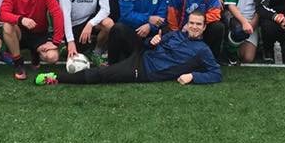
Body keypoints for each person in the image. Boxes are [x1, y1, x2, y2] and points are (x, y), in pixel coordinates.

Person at [36, 10, 221, 86]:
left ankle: (55, 78)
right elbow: (149, 44)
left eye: (198, 24)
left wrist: (193, 76)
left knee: (101, 75)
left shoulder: (202, 50)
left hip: (143, 70)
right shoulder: (176, 34)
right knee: (119, 28)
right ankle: (113, 63)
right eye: (191, 23)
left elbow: (216, 73)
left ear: (204, 27)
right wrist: (152, 41)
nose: (194, 27)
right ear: (186, 24)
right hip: (143, 54)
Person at [0, 0, 64, 80]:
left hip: (39, 34)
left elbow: (57, 14)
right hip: (19, 34)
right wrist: (21, 19)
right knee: (7, 26)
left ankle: (35, 53)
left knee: (52, 57)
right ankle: (18, 63)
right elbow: (2, 14)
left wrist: (55, 42)